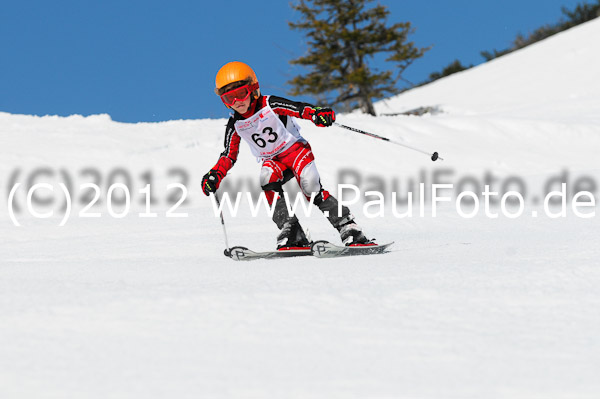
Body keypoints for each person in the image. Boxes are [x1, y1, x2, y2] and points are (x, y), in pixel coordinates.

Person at [202, 61, 372, 249]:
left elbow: (297, 108)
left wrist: (317, 114)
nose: (237, 102)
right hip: (273, 160)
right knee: (267, 179)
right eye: (229, 98)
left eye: (241, 94)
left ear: (253, 88)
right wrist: (215, 174)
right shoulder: (235, 124)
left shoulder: (269, 104)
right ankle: (292, 231)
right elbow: (228, 155)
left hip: (296, 151)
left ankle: (348, 226)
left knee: (310, 186)